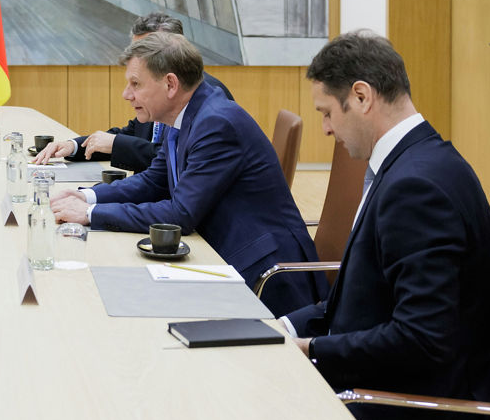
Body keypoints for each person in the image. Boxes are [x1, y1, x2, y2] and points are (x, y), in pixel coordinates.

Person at [282, 32, 490, 420]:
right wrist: (280, 329)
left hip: (411, 419)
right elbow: (364, 300)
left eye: (326, 113)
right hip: (385, 389)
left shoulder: (417, 187)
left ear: (361, 97)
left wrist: (310, 349)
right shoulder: (414, 162)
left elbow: (422, 338)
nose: (325, 129)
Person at [50, 33, 324, 316]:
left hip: (265, 277)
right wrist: (88, 197)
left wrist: (90, 214)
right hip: (220, 257)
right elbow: (154, 181)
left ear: (170, 84)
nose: (126, 94)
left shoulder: (217, 122)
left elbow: (180, 214)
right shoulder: (185, 115)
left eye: (136, 84)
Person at [33, 13, 233, 172]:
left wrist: (117, 144)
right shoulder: (154, 94)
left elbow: (175, 159)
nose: (136, 58)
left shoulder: (205, 95)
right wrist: (73, 146)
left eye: (146, 50)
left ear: (173, 48)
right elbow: (132, 135)